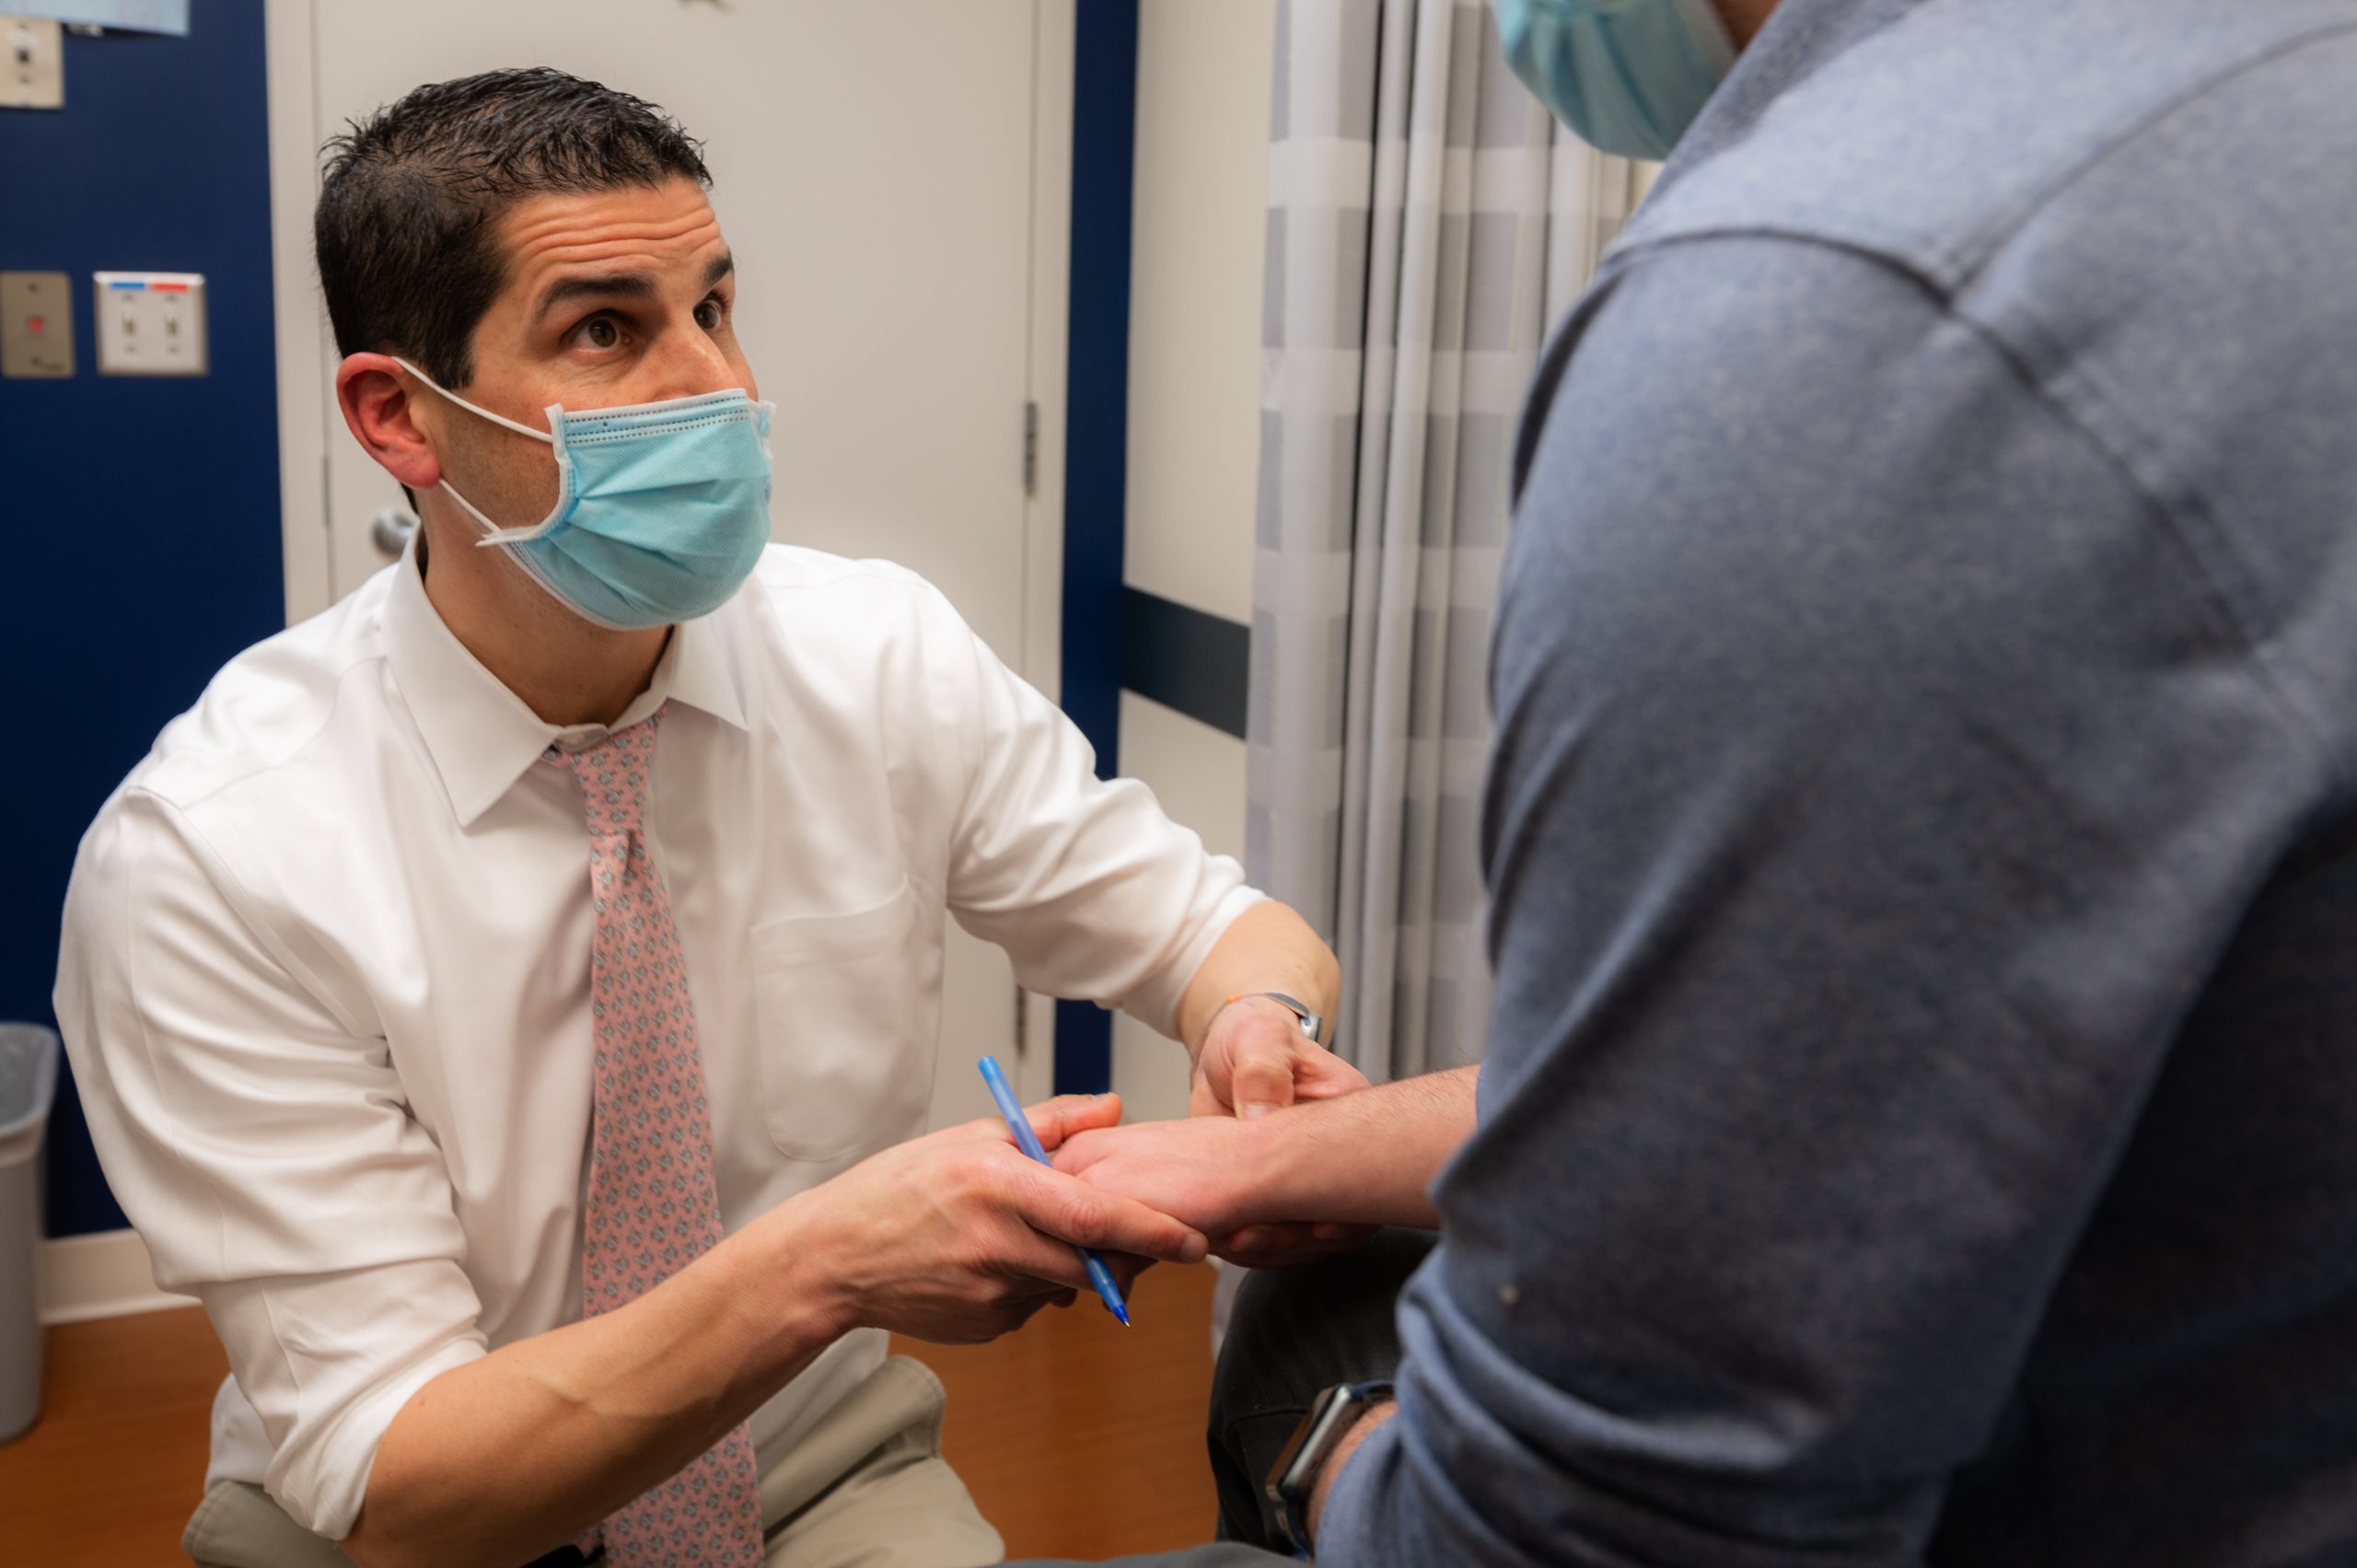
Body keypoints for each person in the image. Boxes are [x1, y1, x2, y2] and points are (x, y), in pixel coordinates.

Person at [1012, 0, 2357, 1562]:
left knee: (1309, 1342)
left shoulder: (1837, 303)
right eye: (635, 327)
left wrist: (1336, 1449)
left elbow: (1607, 1525)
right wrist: (1275, 1151)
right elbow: (1844, 1062)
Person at [52, 68, 1357, 1568]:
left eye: (716, 307)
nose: (716, 385)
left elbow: (1217, 929)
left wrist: (1261, 1023)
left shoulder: (876, 661)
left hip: (810, 1470)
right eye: (605, 329)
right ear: (397, 416)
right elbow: (408, 1483)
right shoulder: (212, 858)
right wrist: (833, 1260)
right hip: (405, 1513)